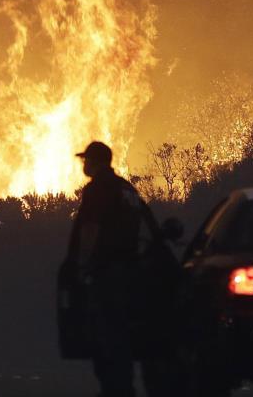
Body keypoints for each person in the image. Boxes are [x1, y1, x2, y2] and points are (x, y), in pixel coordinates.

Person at [66, 141, 180, 397]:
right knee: (127, 333)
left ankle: (117, 389)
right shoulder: (126, 189)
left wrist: (81, 266)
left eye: (86, 159)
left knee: (109, 335)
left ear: (95, 162)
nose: (84, 164)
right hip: (133, 272)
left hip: (108, 273)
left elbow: (90, 229)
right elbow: (147, 228)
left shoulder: (99, 188)